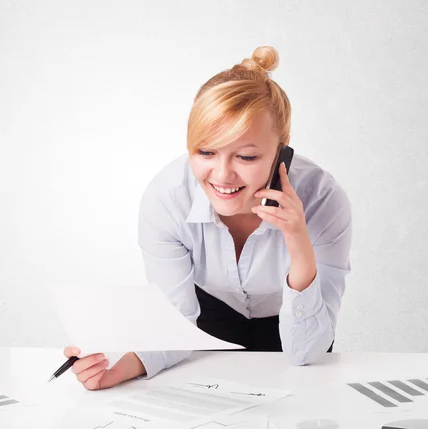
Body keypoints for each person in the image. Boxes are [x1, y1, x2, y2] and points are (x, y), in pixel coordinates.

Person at [63, 45, 352, 390]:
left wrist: (299, 245)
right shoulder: (168, 197)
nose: (222, 175)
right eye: (205, 151)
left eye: (245, 156)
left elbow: (305, 353)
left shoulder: (322, 199)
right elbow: (174, 323)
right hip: (209, 322)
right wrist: (117, 369)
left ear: (283, 148)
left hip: (295, 318)